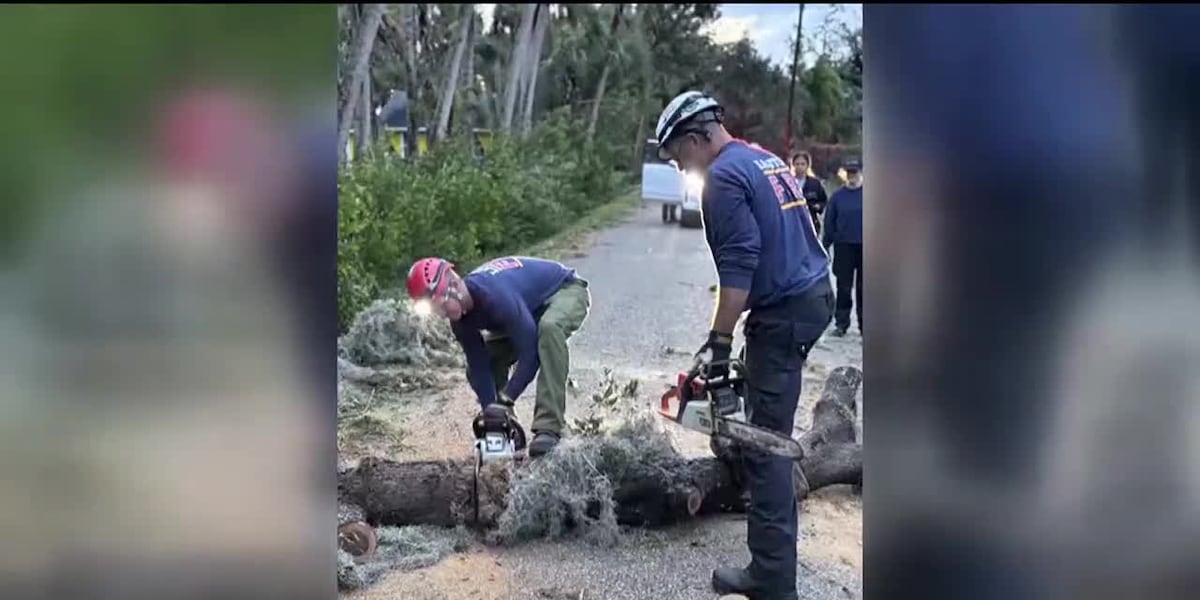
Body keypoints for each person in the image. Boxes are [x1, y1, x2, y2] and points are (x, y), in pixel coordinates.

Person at [655, 91, 834, 600]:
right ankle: (769, 556)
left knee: (766, 446)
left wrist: (717, 342)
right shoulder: (764, 159)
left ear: (695, 139)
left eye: (677, 158)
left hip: (785, 310)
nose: (679, 168)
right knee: (761, 414)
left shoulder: (723, 180)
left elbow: (738, 269)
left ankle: (773, 579)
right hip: (813, 293)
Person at [405, 255, 591, 458]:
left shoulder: (494, 296)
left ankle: (549, 428)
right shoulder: (460, 321)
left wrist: (505, 399)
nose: (441, 314)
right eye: (435, 311)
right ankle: (507, 431)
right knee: (489, 361)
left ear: (453, 285)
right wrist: (490, 412)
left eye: (440, 306)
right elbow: (479, 366)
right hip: (528, 309)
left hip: (564, 290)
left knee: (549, 330)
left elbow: (531, 353)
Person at [822, 158, 864, 337]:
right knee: (844, 287)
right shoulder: (838, 197)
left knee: (865, 289)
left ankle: (865, 325)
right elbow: (829, 221)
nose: (852, 176)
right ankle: (842, 323)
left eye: (855, 172)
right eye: (849, 173)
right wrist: (825, 244)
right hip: (843, 246)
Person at [789, 150, 829, 237]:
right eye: (797, 164)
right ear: (793, 165)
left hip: (811, 222)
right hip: (792, 223)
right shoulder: (788, 183)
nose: (800, 167)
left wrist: (818, 206)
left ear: (807, 166)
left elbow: (823, 200)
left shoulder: (815, 183)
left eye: (802, 164)